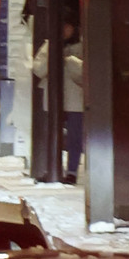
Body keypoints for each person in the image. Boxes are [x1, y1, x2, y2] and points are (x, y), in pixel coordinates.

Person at [32, 16, 84, 182]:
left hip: (76, 98)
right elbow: (38, 69)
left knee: (75, 138)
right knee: (53, 135)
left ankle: (72, 172)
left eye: (68, 26)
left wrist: (68, 60)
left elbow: (86, 73)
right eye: (62, 26)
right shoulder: (49, 45)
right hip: (54, 99)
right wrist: (53, 57)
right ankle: (52, 169)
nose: (64, 30)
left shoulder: (82, 45)